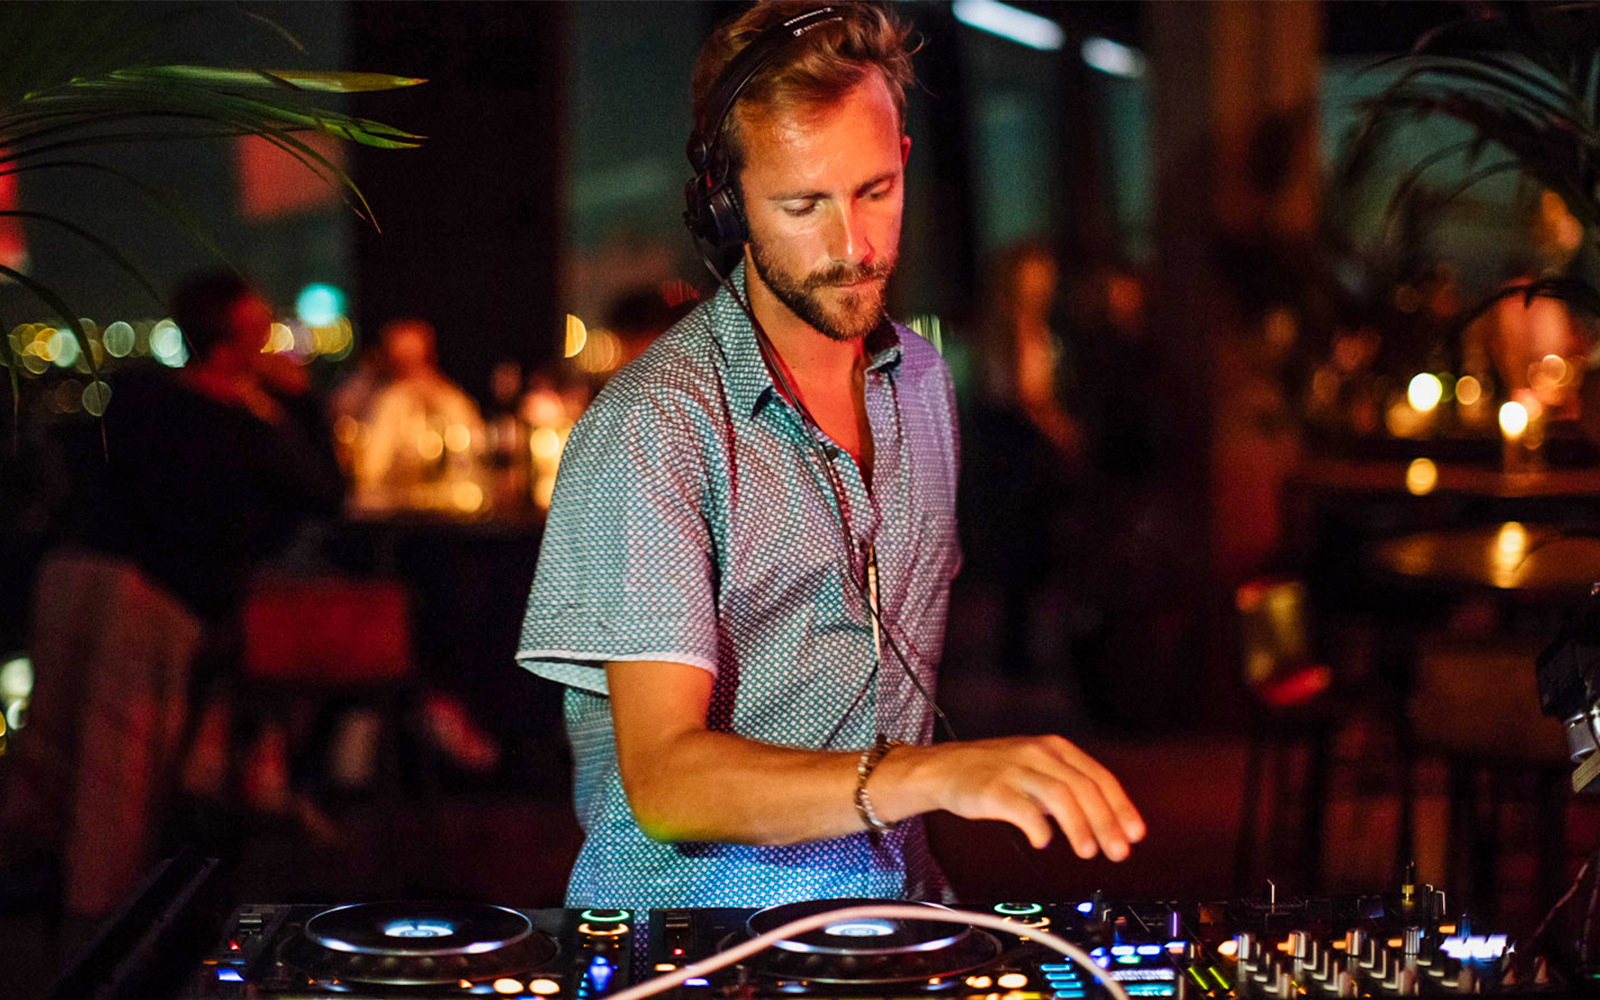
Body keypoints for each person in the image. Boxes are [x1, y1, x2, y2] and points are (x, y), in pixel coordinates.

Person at [517, 1, 1143, 911]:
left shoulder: (922, 384)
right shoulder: (655, 425)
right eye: (803, 205)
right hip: (694, 940)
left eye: (874, 192)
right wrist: (929, 775)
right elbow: (666, 783)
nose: (853, 248)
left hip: (891, 916)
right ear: (727, 205)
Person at [1, 271, 344, 918]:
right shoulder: (243, 422)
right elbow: (325, 494)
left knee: (52, 757)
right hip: (147, 595)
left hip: (69, 578)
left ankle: (48, 912)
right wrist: (296, 402)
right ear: (238, 341)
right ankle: (106, 924)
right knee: (119, 772)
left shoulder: (136, 395)